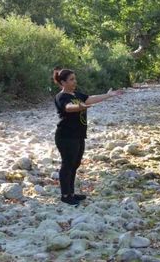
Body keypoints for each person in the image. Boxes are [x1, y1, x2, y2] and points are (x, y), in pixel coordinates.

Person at [52, 68, 123, 205]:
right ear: (63, 82)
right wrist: (79, 107)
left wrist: (109, 95)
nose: (74, 81)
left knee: (75, 164)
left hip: (78, 135)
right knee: (67, 164)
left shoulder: (76, 94)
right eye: (71, 79)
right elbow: (68, 107)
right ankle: (65, 195)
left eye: (75, 78)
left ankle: (71, 193)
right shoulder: (61, 97)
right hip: (66, 136)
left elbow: (91, 98)